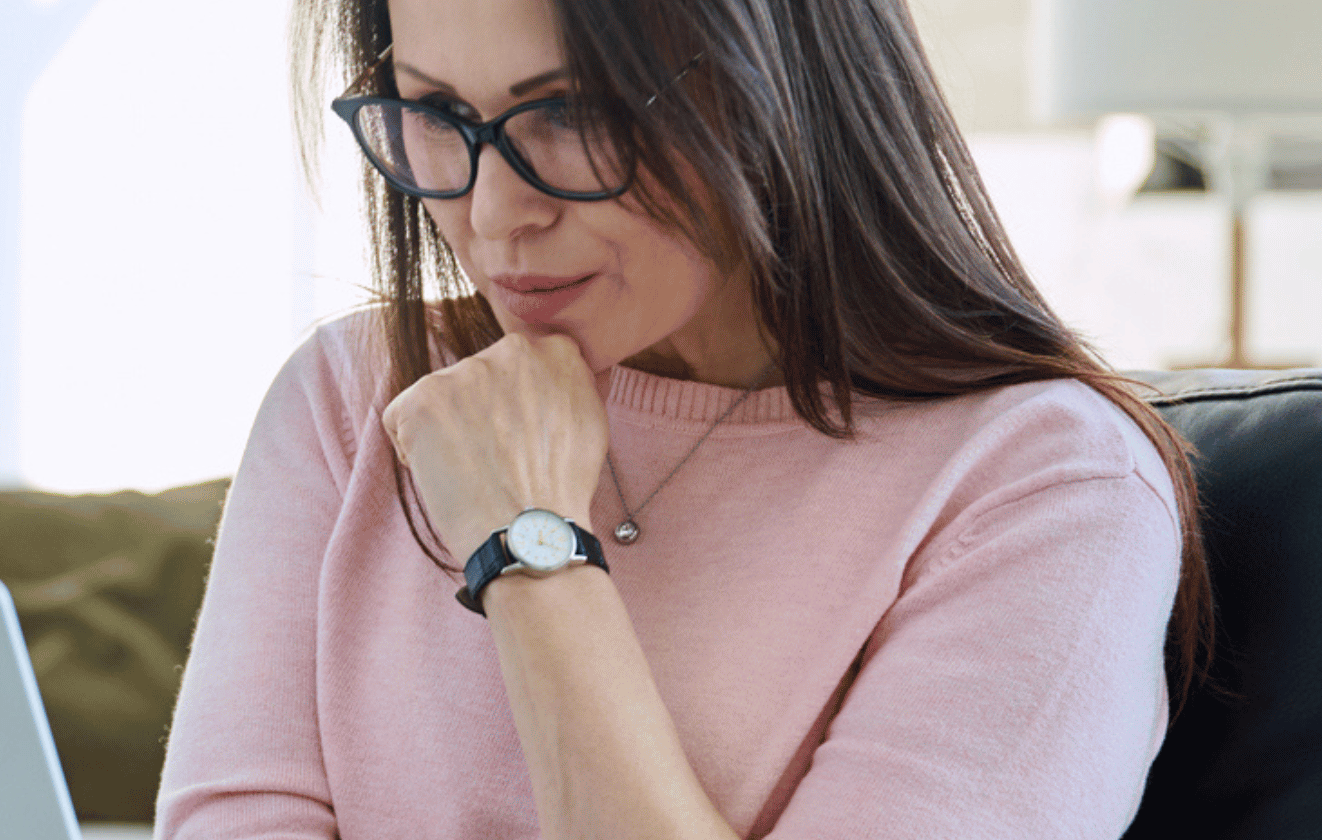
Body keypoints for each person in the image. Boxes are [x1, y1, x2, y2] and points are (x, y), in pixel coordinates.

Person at [150, 0, 1214, 837]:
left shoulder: (1046, 493)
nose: (492, 213)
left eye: (568, 115)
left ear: (778, 90)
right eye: (438, 117)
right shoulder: (351, 396)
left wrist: (529, 546)